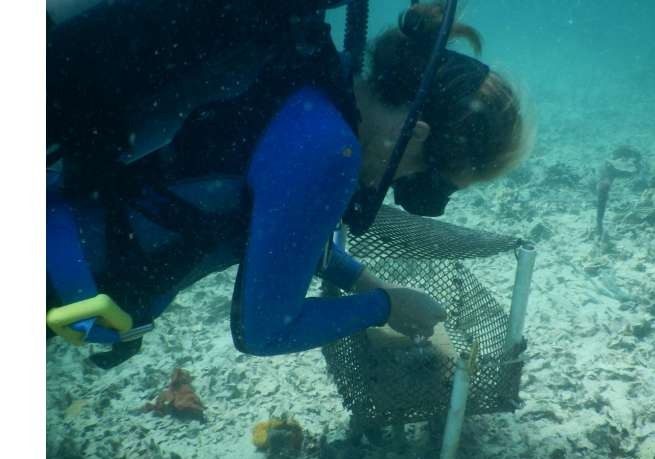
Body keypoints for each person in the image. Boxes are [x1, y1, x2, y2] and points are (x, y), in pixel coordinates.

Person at [46, 1, 528, 365]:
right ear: (417, 136)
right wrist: (381, 307)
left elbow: (280, 228)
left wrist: (364, 281)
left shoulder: (317, 83)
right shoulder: (331, 153)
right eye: (427, 187)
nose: (407, 191)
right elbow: (265, 331)